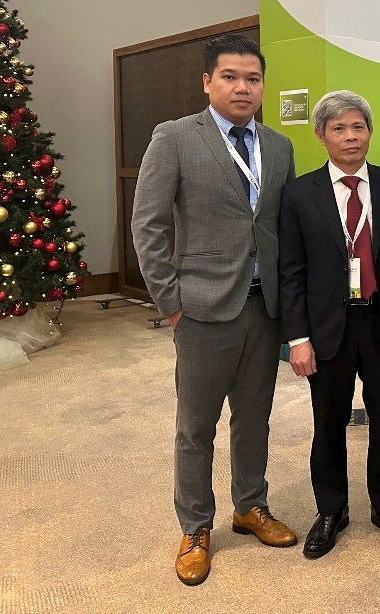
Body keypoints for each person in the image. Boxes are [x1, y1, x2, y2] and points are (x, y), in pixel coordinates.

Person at [131, 34, 298, 586]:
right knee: (196, 426)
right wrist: (171, 303)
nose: (242, 87)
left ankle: (250, 506)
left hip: (264, 306)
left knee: (255, 417)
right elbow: (148, 224)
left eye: (253, 78)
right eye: (229, 76)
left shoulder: (279, 147)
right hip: (201, 309)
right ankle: (196, 526)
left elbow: (279, 226)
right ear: (207, 82)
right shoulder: (176, 137)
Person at [278, 90, 380, 559]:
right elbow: (291, 271)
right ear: (321, 136)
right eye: (339, 128)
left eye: (358, 127)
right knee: (328, 423)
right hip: (327, 329)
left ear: (370, 132)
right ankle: (332, 510)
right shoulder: (299, 194)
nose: (350, 136)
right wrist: (298, 338)